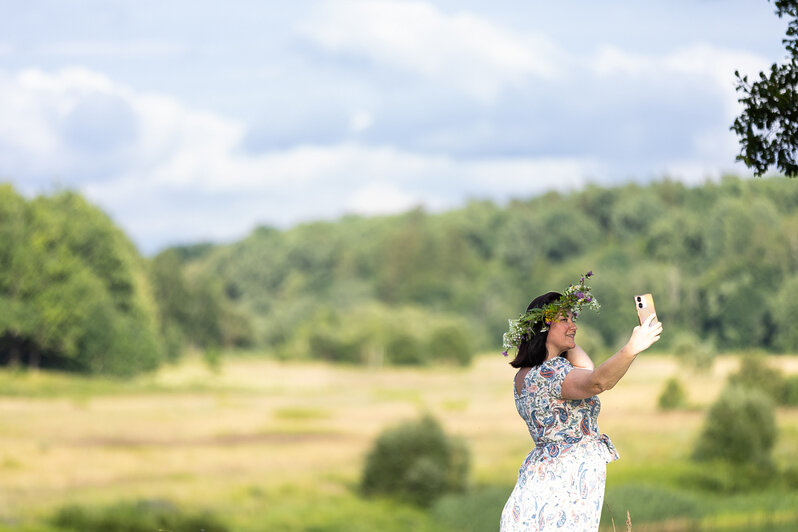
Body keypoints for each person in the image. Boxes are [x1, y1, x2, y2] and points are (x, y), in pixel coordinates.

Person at [499, 273, 662, 531]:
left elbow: (587, 369)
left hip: (541, 478)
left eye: (573, 318)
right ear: (543, 328)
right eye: (563, 319)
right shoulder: (550, 374)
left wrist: (564, 333)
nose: (573, 324)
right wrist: (632, 348)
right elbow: (597, 382)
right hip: (563, 483)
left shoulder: (526, 375)